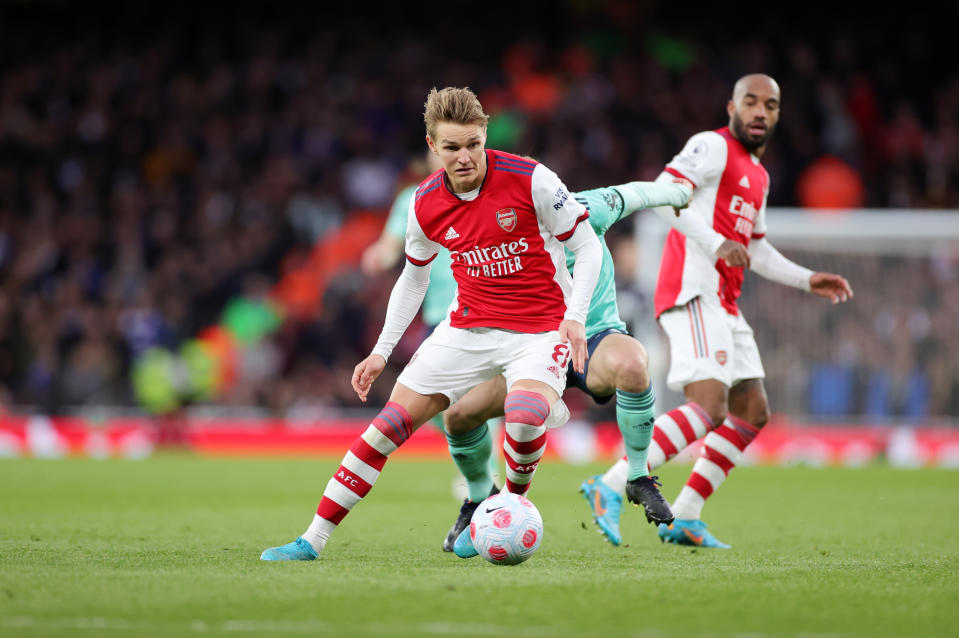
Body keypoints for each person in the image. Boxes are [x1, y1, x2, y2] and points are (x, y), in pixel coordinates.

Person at [260, 86, 603, 561]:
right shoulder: (423, 202)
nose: (465, 157)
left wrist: (576, 317)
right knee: (387, 427)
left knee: (524, 417)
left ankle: (507, 510)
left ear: (485, 137)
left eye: (473, 145)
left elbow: (587, 247)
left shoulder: (531, 180)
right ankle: (312, 539)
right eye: (452, 148)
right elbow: (412, 280)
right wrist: (382, 351)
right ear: (432, 146)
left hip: (540, 329)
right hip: (467, 329)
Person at [583, 74, 854, 548]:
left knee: (752, 411)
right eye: (750, 102)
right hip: (693, 291)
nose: (759, 112)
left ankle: (686, 514)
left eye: (769, 105)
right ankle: (608, 484)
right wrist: (714, 242)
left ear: (777, 115)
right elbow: (665, 194)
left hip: (725, 302)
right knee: (710, 406)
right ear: (731, 105)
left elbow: (756, 249)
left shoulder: (759, 175)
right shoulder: (711, 146)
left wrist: (806, 278)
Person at [439, 175, 696, 558]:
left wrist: (680, 192)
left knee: (632, 361)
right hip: (531, 349)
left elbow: (638, 193)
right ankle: (480, 500)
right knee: (458, 416)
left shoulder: (588, 207)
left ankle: (638, 475)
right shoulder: (500, 228)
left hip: (594, 340)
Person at [362, 151, 502, 551]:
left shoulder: (489, 194)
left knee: (474, 399)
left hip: (483, 312)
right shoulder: (413, 198)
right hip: (437, 315)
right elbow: (393, 245)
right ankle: (483, 476)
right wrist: (380, 255)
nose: (452, 156)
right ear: (429, 150)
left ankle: (483, 477)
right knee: (441, 405)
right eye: (442, 147)